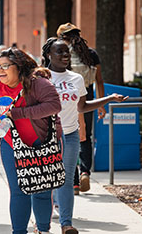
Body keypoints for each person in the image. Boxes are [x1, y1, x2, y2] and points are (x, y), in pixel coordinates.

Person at [42, 37, 128, 234]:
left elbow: (82, 106)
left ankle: (66, 223)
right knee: (47, 178)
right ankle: (42, 224)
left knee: (65, 178)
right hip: (46, 135)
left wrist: (109, 99)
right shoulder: (41, 78)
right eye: (60, 52)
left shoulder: (76, 78)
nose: (65, 56)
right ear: (48, 55)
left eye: (67, 52)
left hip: (70, 134)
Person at [0, 48, 62, 234]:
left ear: (19, 66)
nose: (0, 70)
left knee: (41, 190)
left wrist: (20, 113)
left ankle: (43, 230)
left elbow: (54, 105)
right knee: (17, 191)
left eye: (5, 66)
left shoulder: (38, 84)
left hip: (40, 144)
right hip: (11, 145)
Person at [57, 22, 106, 194]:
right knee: (86, 136)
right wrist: (101, 104)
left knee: (69, 135)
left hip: (65, 100)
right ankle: (85, 171)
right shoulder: (91, 54)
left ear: (62, 37)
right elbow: (98, 80)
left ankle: (74, 182)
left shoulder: (60, 54)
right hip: (87, 98)